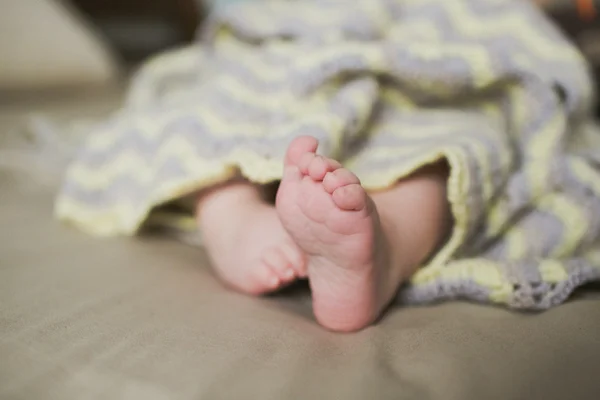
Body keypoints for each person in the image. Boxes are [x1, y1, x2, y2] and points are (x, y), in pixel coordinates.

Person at [55, 0, 600, 332]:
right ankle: (233, 215)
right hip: (279, 53)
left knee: (463, 131)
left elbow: (517, 43)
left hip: (426, 59)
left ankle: (383, 246)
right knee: (192, 113)